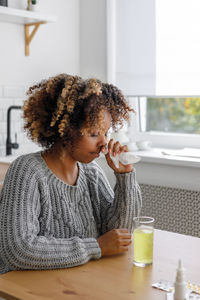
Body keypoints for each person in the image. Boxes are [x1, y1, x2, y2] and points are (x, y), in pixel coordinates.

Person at [0, 74, 142, 274]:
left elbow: (120, 235)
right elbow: (18, 250)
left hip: (77, 281)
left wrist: (125, 177)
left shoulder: (92, 173)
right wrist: (96, 247)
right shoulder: (27, 171)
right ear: (65, 130)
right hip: (25, 289)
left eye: (106, 133)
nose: (103, 143)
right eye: (94, 134)